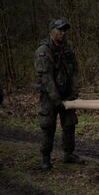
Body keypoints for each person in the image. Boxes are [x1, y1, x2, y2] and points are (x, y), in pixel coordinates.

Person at [34, 19, 83, 170]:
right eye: (60, 30)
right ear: (52, 31)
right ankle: (46, 158)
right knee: (48, 126)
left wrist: (73, 93)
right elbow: (46, 77)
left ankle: (69, 154)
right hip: (49, 96)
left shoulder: (67, 50)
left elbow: (75, 72)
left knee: (69, 125)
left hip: (67, 94)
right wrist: (55, 98)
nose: (63, 33)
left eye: (64, 31)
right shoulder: (44, 50)